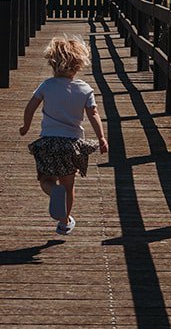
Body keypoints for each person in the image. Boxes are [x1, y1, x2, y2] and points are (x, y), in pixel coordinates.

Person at [19, 35, 108, 234]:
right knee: (69, 185)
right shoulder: (85, 89)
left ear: (52, 63)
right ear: (78, 66)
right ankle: (64, 221)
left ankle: (53, 191)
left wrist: (25, 127)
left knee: (46, 179)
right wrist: (101, 137)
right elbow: (93, 114)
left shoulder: (47, 86)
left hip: (49, 143)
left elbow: (30, 107)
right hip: (71, 145)